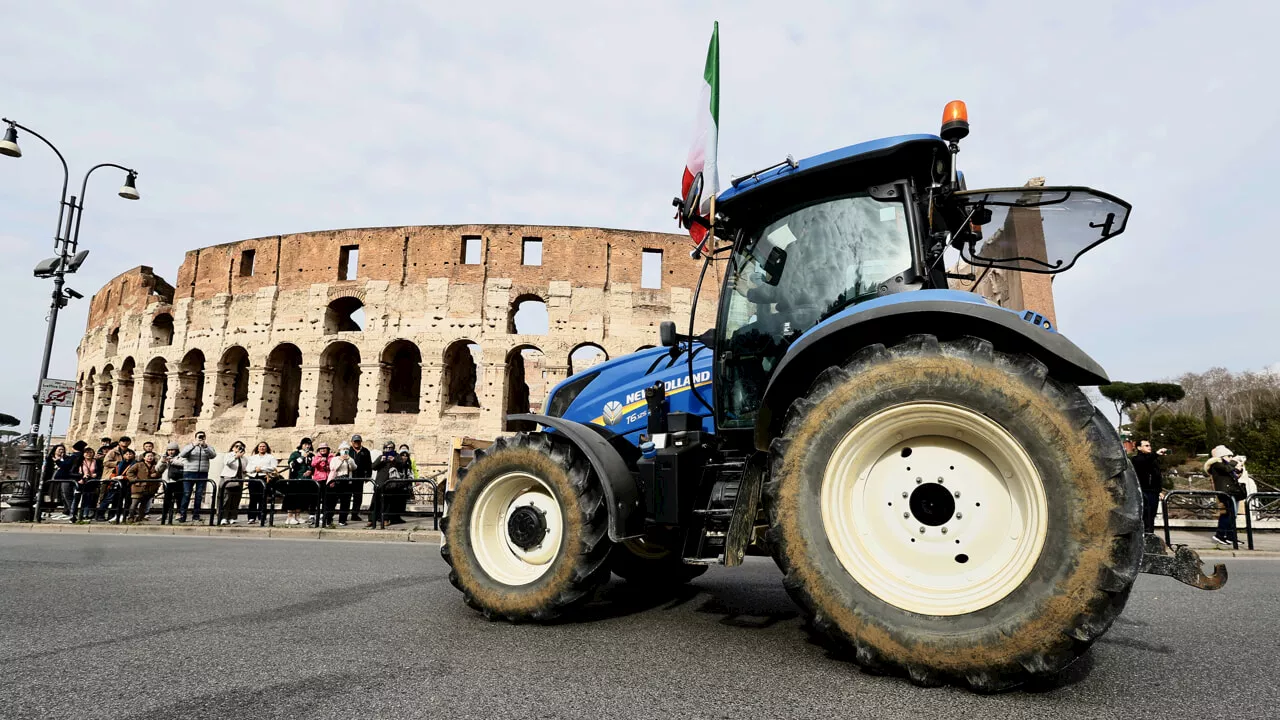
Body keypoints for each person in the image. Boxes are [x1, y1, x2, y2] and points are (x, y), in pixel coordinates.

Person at [1206, 445, 1244, 546]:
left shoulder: (1225, 465)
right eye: (1229, 456)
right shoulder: (1216, 465)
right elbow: (1227, 469)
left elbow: (1233, 473)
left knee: (1232, 515)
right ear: (1221, 456)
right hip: (1225, 492)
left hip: (1232, 491)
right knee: (1227, 514)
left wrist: (1239, 469)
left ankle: (1231, 537)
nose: (1231, 458)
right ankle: (1220, 535)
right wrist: (1234, 462)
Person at [369, 442, 411, 528]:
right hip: (379, 482)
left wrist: (394, 460)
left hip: (390, 484)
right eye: (387, 448)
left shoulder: (397, 456)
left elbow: (402, 465)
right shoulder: (381, 456)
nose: (389, 450)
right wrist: (381, 461)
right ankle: (371, 519)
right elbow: (373, 466)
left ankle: (385, 519)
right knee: (375, 502)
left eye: (391, 448)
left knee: (388, 503)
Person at [178, 431, 217, 523]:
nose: (200, 439)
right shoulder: (189, 446)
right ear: (195, 438)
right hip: (189, 472)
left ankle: (196, 515)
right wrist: (193, 445)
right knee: (187, 494)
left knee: (199, 495)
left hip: (202, 473)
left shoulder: (208, 447)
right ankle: (182, 515)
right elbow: (183, 455)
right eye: (199, 437)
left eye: (202, 437)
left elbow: (213, 456)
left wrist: (205, 447)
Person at [1130, 439, 1167, 534]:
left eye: (1149, 445)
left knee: (1151, 517)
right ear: (1139, 447)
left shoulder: (1153, 460)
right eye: (1146, 445)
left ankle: (1149, 535)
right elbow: (1142, 462)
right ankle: (1144, 536)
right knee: (1145, 516)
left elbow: (1157, 476)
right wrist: (1156, 454)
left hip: (1153, 492)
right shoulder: (1136, 459)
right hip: (1144, 491)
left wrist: (1159, 490)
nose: (1149, 447)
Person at [97, 448, 136, 522]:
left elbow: (135, 475)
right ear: (123, 455)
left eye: (130, 454)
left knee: (125, 501)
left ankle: (118, 515)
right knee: (109, 499)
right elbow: (114, 471)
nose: (128, 456)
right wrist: (113, 477)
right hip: (116, 484)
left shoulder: (135, 464)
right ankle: (100, 514)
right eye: (126, 454)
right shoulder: (120, 464)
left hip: (128, 484)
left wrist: (124, 477)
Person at [324, 442, 357, 527]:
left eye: (347, 449)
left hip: (347, 482)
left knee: (345, 502)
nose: (345, 451)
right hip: (336, 481)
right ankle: (328, 519)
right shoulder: (335, 459)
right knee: (332, 502)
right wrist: (341, 460)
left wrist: (349, 461)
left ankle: (342, 520)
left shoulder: (350, 459)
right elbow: (333, 468)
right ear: (340, 450)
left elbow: (354, 467)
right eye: (343, 449)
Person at [283, 437, 315, 526]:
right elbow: (291, 464)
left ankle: (298, 515)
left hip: (306, 480)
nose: (307, 446)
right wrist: (301, 457)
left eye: (309, 444)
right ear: (301, 445)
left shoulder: (311, 456)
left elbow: (313, 466)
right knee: (293, 497)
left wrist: (310, 471)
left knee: (301, 498)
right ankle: (290, 517)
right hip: (295, 479)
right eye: (305, 444)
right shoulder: (295, 454)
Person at [126, 450, 165, 522]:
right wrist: (136, 480)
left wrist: (157, 475)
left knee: (144, 503)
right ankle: (130, 517)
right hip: (138, 487)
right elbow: (129, 472)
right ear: (144, 457)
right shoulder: (138, 465)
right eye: (148, 456)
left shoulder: (155, 466)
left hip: (150, 488)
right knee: (134, 503)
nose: (150, 458)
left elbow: (160, 472)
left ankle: (141, 516)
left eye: (151, 456)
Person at [244, 441, 277, 525]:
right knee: (253, 498)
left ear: (266, 448)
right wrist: (255, 468)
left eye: (264, 446)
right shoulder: (252, 457)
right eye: (260, 446)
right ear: (257, 448)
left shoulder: (270, 457)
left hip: (264, 477)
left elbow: (273, 468)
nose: (262, 448)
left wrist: (262, 468)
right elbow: (248, 468)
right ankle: (251, 517)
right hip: (254, 477)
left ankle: (261, 516)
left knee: (262, 498)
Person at [217, 440, 248, 525]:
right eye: (236, 446)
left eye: (241, 447)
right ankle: (223, 517)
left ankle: (232, 517)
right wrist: (235, 456)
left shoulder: (244, 458)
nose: (238, 448)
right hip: (228, 478)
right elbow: (227, 463)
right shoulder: (229, 455)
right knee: (226, 499)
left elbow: (245, 468)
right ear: (233, 447)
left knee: (236, 499)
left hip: (239, 479)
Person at [348, 434, 372, 522]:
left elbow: (369, 465)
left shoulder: (365, 451)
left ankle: (355, 514)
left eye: (358, 441)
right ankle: (344, 514)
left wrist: (368, 476)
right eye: (355, 441)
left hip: (360, 477)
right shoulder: (347, 451)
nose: (357, 443)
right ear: (352, 442)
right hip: (349, 477)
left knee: (358, 497)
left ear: (361, 442)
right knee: (347, 496)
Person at [74, 446, 101, 522]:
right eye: (87, 452)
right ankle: (74, 514)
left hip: (92, 482)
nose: (89, 454)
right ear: (83, 454)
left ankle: (86, 514)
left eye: (90, 452)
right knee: (77, 498)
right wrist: (81, 476)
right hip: (81, 482)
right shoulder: (79, 461)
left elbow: (100, 471)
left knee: (89, 498)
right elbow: (73, 471)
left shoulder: (97, 462)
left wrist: (96, 475)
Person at [310, 442, 333, 526]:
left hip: (328, 479)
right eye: (321, 449)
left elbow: (333, 466)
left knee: (326, 498)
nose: (323, 450)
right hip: (319, 479)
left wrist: (327, 462)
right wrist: (320, 460)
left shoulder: (331, 456)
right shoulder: (316, 457)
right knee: (316, 498)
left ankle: (323, 515)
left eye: (324, 448)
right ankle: (313, 514)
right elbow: (313, 464)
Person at [160, 442, 184, 521]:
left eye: (172, 450)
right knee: (167, 498)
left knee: (178, 498)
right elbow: (158, 469)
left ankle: (178, 513)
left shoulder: (180, 457)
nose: (170, 452)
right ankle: (165, 514)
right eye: (169, 450)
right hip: (167, 481)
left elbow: (184, 464)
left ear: (176, 450)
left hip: (177, 480)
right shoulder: (164, 457)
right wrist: (162, 462)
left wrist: (172, 461)